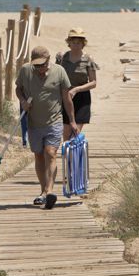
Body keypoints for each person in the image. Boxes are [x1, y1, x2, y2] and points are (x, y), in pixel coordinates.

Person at [15, 45, 78, 209]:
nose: (39, 69)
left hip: (54, 121)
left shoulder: (59, 72)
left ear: (48, 60)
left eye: (42, 65)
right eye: (36, 65)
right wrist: (22, 101)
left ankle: (49, 191)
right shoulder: (25, 71)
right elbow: (18, 89)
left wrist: (72, 120)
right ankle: (43, 191)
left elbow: (66, 99)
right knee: (38, 156)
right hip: (34, 122)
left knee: (50, 152)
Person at [56, 28, 99, 141]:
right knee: (66, 134)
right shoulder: (62, 57)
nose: (76, 45)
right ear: (68, 43)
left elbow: (93, 82)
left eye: (78, 42)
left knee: (75, 133)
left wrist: (77, 89)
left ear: (83, 44)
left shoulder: (88, 59)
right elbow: (55, 76)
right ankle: (68, 158)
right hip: (65, 96)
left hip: (82, 97)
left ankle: (76, 157)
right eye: (73, 42)